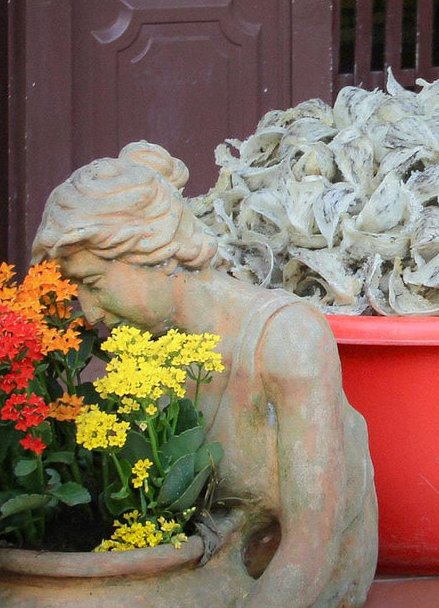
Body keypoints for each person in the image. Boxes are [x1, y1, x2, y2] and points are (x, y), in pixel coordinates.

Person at [30, 142, 379, 608]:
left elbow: (313, 541)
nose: (88, 311)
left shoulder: (284, 338)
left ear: (151, 251)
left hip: (285, 584)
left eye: (92, 285)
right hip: (202, 568)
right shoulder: (142, 348)